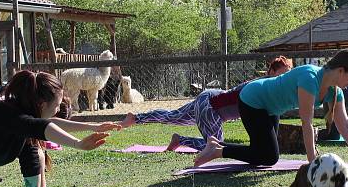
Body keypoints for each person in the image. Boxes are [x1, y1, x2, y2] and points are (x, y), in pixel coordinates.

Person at [194, 48, 348, 167]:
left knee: (262, 154)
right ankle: (218, 151)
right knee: (269, 157)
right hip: (253, 100)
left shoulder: (336, 92)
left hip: (271, 108)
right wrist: (313, 163)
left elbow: (344, 125)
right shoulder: (310, 78)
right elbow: (306, 124)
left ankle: (216, 145)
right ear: (340, 71)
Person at [119, 57, 294, 151]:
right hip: (212, 107)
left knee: (172, 116)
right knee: (216, 146)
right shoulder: (262, 87)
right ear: (271, 71)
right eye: (281, 74)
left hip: (208, 98)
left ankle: (136, 118)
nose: (283, 79)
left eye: (287, 75)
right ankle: (180, 139)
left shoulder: (267, 87)